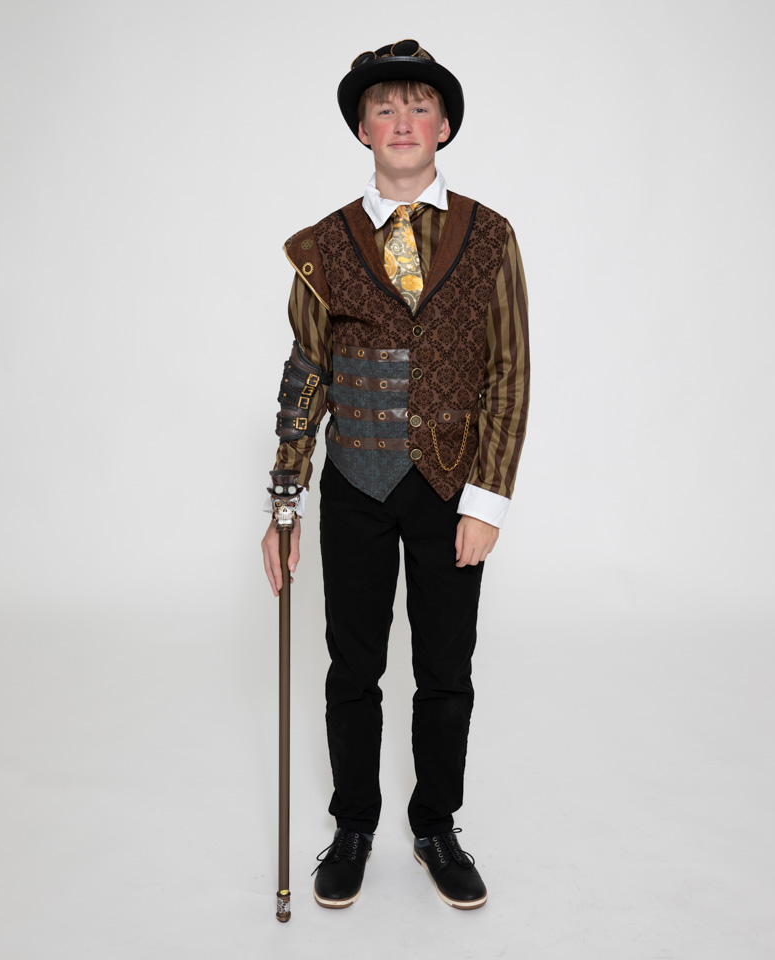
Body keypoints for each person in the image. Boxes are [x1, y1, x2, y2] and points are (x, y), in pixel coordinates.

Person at [260, 39, 530, 911]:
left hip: (451, 488)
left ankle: (435, 825)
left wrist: (487, 501)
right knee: (353, 667)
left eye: (419, 106)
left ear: (444, 126)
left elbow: (508, 372)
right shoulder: (322, 246)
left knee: (446, 668)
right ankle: (354, 824)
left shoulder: (491, 237)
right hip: (356, 485)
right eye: (384, 108)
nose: (402, 120)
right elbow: (307, 371)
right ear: (362, 130)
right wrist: (285, 499)